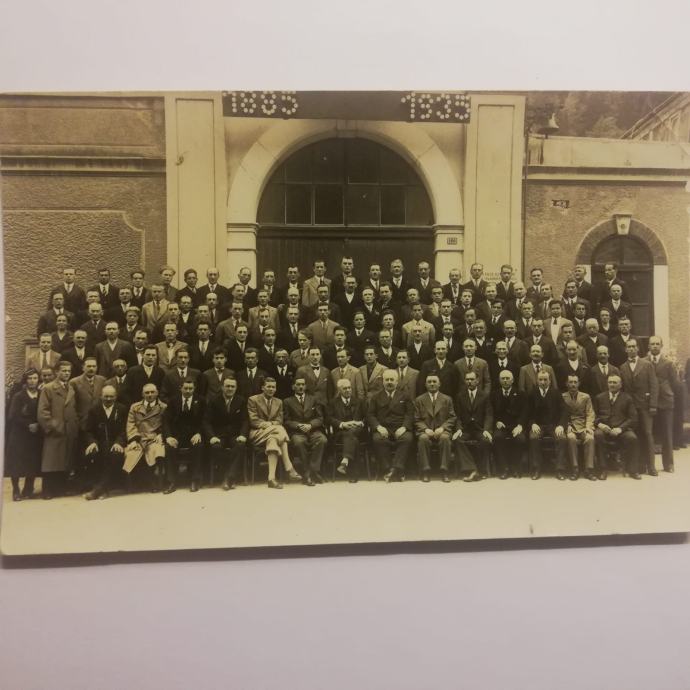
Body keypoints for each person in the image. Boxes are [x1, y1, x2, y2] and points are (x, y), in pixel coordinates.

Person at [247, 377, 301, 489]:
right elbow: (253, 420)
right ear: (263, 388)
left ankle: (271, 479)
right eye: (268, 387)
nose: (271, 389)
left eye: (273, 387)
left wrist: (271, 424)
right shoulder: (253, 399)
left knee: (273, 440)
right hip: (258, 433)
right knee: (280, 429)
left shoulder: (279, 402)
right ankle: (289, 466)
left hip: (273, 433)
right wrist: (270, 425)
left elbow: (279, 420)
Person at [37, 360, 78, 499]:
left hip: (68, 430)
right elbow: (42, 411)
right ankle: (48, 490)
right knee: (51, 461)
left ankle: (60, 488)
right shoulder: (48, 388)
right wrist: (52, 426)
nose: (66, 373)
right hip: (55, 431)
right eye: (63, 371)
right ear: (56, 372)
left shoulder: (71, 388)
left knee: (64, 461)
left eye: (68, 371)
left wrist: (74, 425)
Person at [620, 339, 659, 476]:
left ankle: (651, 466)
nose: (631, 349)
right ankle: (637, 466)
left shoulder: (647, 364)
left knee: (647, 434)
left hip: (645, 406)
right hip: (630, 408)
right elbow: (623, 390)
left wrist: (653, 405)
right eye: (629, 347)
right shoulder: (622, 367)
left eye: (633, 346)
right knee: (634, 436)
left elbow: (654, 385)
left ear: (637, 349)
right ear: (625, 349)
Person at [368, 369, 414, 482]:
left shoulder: (405, 396)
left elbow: (410, 414)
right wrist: (378, 427)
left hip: (400, 427)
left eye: (392, 380)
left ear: (397, 382)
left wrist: (404, 427)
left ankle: (395, 469)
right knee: (378, 439)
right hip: (383, 427)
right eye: (387, 380)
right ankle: (389, 469)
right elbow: (370, 415)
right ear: (383, 382)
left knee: (407, 438)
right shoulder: (375, 397)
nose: (389, 382)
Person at [83, 385, 128, 500]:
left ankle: (99, 490)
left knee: (115, 455)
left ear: (115, 397)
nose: (108, 399)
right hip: (99, 443)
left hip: (116, 443)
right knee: (92, 454)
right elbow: (88, 430)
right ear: (101, 396)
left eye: (111, 396)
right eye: (106, 396)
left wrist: (119, 442)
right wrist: (92, 442)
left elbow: (125, 430)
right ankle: (101, 488)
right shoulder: (94, 410)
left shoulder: (122, 409)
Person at [203, 377, 248, 490]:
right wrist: (212, 436)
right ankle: (230, 476)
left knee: (241, 446)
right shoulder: (214, 400)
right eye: (227, 386)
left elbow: (245, 421)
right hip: (219, 435)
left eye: (232, 386)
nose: (230, 389)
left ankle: (228, 477)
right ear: (222, 387)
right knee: (216, 447)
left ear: (236, 388)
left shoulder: (241, 400)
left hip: (235, 435)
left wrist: (242, 434)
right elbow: (206, 421)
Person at [162, 378, 205, 493]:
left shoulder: (201, 401)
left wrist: (199, 433)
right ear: (180, 388)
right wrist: (168, 437)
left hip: (194, 434)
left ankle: (194, 480)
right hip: (177, 435)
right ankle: (171, 482)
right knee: (169, 448)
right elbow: (166, 421)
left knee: (198, 446)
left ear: (194, 389)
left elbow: (204, 420)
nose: (188, 391)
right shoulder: (173, 401)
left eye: (191, 388)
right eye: (185, 388)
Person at [5, 369, 42, 501]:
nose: (32, 381)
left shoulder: (41, 394)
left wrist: (38, 425)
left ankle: (28, 488)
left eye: (35, 378)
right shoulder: (18, 396)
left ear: (38, 380)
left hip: (35, 434)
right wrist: (28, 425)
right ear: (25, 381)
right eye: (30, 378)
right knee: (16, 462)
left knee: (32, 460)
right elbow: (12, 415)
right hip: (19, 434)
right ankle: (16, 490)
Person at [283, 376, 328, 486]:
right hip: (297, 432)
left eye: (303, 384)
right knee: (299, 442)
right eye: (298, 385)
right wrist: (298, 425)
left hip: (313, 430)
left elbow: (320, 418)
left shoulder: (313, 399)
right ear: (293, 387)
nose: (301, 387)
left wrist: (310, 425)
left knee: (322, 440)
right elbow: (286, 420)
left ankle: (312, 471)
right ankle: (307, 473)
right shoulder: (287, 401)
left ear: (306, 386)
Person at [593, 374, 639, 479]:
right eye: (610, 382)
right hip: (604, 428)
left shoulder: (627, 398)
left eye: (615, 382)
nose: (612, 385)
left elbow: (633, 418)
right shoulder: (599, 397)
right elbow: (593, 415)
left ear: (620, 385)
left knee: (632, 438)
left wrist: (620, 429)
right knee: (598, 435)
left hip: (621, 429)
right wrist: (600, 425)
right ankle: (603, 469)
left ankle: (633, 470)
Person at [124, 383, 167, 491]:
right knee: (132, 453)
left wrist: (161, 434)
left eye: (152, 392)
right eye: (147, 392)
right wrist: (133, 439)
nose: (150, 395)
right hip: (139, 438)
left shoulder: (163, 407)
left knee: (156, 451)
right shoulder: (135, 407)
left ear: (157, 393)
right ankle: (138, 483)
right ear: (142, 394)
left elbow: (166, 424)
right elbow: (130, 424)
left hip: (154, 438)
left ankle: (154, 482)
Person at [414, 373, 456, 482]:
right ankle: (425, 471)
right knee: (423, 439)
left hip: (442, 431)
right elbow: (416, 419)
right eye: (429, 382)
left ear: (439, 384)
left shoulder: (447, 399)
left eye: (434, 382)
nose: (432, 384)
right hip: (425, 431)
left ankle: (444, 470)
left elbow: (452, 417)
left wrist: (442, 428)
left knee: (445, 438)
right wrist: (425, 429)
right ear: (425, 384)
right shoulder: (419, 400)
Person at [452, 370, 493, 481]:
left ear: (477, 381)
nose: (469, 381)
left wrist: (486, 429)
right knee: (458, 440)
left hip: (480, 429)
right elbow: (457, 416)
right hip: (465, 429)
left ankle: (480, 470)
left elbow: (489, 414)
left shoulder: (484, 396)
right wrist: (458, 429)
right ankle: (473, 470)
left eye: (472, 379)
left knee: (485, 440)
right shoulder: (460, 396)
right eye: (467, 379)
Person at [526, 370, 566, 480]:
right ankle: (536, 468)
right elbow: (527, 412)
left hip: (553, 425)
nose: (543, 382)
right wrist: (532, 423)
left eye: (545, 379)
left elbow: (564, 411)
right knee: (534, 438)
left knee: (562, 438)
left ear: (550, 381)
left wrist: (561, 425)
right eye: (540, 379)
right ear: (537, 380)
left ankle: (559, 469)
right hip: (538, 425)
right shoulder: (532, 393)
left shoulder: (556, 393)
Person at [646, 335, 677, 472]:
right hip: (649, 402)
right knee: (648, 433)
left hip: (665, 402)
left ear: (661, 346)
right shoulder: (644, 362)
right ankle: (648, 464)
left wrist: (667, 392)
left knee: (667, 433)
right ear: (648, 346)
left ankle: (668, 464)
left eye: (657, 344)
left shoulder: (668, 363)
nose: (654, 346)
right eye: (652, 344)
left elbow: (675, 383)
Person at [491, 370, 527, 479]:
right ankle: (504, 468)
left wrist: (520, 425)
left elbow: (524, 412)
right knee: (497, 437)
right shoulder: (494, 394)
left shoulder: (520, 394)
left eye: (507, 378)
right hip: (501, 426)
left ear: (512, 380)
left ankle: (515, 467)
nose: (505, 381)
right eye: (503, 378)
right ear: (499, 380)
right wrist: (496, 421)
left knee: (520, 439)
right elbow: (490, 412)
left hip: (516, 426)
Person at [329, 378, 367, 483]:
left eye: (349, 388)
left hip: (358, 431)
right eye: (345, 388)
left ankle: (345, 461)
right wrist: (342, 424)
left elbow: (367, 416)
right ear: (339, 390)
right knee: (353, 439)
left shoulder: (359, 402)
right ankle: (352, 472)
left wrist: (361, 423)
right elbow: (329, 419)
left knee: (352, 434)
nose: (348, 390)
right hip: (340, 433)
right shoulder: (333, 403)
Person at [562, 374, 596, 480]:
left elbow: (590, 413)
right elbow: (561, 414)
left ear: (579, 384)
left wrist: (588, 427)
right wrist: (566, 425)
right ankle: (575, 469)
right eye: (571, 382)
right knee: (571, 438)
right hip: (570, 426)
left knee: (590, 438)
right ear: (566, 384)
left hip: (583, 425)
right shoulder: (562, 396)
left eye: (575, 382)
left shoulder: (586, 397)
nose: (573, 384)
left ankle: (588, 469)